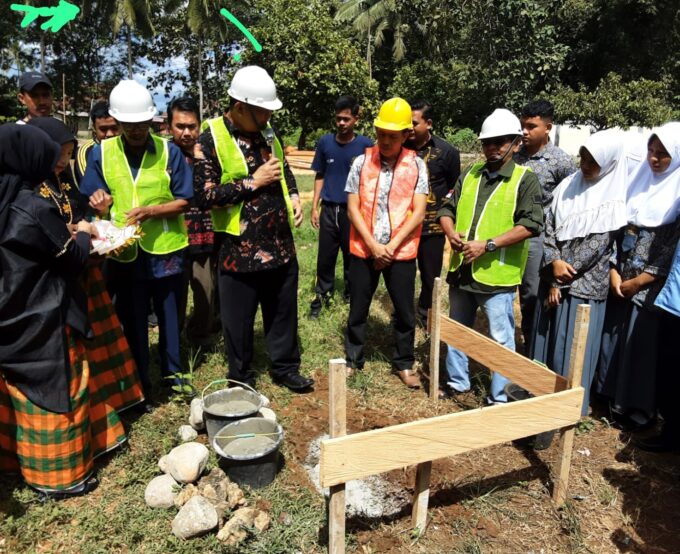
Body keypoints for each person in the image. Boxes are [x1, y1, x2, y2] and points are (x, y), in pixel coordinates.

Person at [0, 124, 130, 498]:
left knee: (20, 389)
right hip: (45, 315)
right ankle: (62, 476)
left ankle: (16, 460)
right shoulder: (32, 206)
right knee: (60, 389)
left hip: (13, 311)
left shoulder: (5, 199)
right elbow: (71, 258)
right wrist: (88, 231)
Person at [193, 65, 313, 392]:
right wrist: (253, 182)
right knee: (239, 321)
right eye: (261, 113)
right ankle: (242, 379)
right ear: (240, 106)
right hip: (238, 250)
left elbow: (283, 168)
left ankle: (285, 368)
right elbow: (204, 196)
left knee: (283, 311)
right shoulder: (211, 137)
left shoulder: (269, 132)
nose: (267, 119)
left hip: (279, 243)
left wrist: (292, 196)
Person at [80, 79, 193, 403]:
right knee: (134, 318)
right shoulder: (103, 152)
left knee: (170, 316)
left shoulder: (168, 151)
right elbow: (93, 193)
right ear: (117, 123)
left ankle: (174, 375)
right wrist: (99, 200)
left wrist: (152, 210)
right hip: (124, 250)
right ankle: (140, 382)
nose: (136, 131)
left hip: (164, 248)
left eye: (142, 124)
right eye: (129, 125)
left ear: (151, 121)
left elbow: (185, 199)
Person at [25, 116, 145, 413]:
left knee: (99, 342)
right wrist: (78, 231)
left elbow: (79, 213)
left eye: (68, 154)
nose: (64, 162)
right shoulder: (27, 189)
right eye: (59, 155)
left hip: (84, 272)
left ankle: (110, 402)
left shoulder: (60, 180)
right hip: (54, 286)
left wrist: (97, 216)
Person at [437, 108, 543, 403]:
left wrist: (488, 245)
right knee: (458, 332)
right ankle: (458, 383)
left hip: (497, 276)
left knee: (501, 340)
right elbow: (446, 209)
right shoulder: (470, 174)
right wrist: (450, 232)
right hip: (462, 271)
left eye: (500, 142)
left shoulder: (525, 179)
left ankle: (500, 397)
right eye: (487, 143)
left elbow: (531, 225)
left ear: (516, 143)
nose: (492, 149)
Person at [531, 130, 632, 417]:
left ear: (609, 164)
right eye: (583, 159)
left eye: (593, 161)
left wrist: (561, 278)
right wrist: (553, 268)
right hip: (554, 277)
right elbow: (548, 226)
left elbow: (598, 246)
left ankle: (569, 406)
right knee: (547, 340)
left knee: (574, 347)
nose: (585, 166)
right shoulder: (567, 186)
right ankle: (541, 395)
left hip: (583, 287)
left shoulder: (613, 198)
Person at [597, 122, 680, 431]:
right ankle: (608, 395)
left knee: (640, 346)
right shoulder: (637, 181)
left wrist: (640, 281)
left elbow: (670, 251)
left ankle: (634, 408)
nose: (654, 160)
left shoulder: (677, 194)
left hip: (650, 290)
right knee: (613, 339)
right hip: (620, 280)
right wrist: (615, 270)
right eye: (651, 151)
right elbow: (619, 231)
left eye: (663, 154)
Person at [344, 97, 428, 388]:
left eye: (393, 136)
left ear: (407, 134)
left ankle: (404, 363)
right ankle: (353, 359)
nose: (386, 141)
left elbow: (418, 213)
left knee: (405, 312)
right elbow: (352, 207)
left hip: (401, 253)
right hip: (362, 249)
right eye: (381, 134)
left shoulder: (417, 166)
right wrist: (373, 245)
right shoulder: (361, 162)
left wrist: (390, 247)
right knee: (358, 308)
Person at [514, 100, 577, 352]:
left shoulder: (561, 162)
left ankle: (533, 348)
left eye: (531, 126)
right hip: (510, 232)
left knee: (531, 294)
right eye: (523, 126)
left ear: (548, 127)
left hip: (538, 238)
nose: (525, 132)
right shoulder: (515, 155)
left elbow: (569, 205)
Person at [309, 95, 373, 318]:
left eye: (346, 119)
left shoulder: (366, 146)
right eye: (338, 119)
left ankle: (350, 294)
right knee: (325, 257)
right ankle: (322, 296)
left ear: (356, 118)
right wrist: (314, 206)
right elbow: (320, 174)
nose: (342, 123)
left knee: (352, 256)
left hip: (353, 212)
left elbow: (372, 179)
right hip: (328, 209)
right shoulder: (325, 143)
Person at [169, 96, 220, 346]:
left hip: (205, 235)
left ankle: (199, 336)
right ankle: (174, 339)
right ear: (170, 127)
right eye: (180, 126)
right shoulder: (163, 155)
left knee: (206, 292)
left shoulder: (210, 153)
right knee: (175, 294)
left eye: (192, 126)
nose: (187, 132)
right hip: (174, 238)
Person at [405, 100, 461, 328]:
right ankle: (405, 317)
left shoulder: (447, 152)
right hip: (405, 226)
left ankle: (425, 318)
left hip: (432, 228)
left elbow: (453, 189)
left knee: (431, 277)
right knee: (404, 276)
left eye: (414, 123)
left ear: (428, 124)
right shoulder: (400, 148)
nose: (408, 128)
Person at [74, 101, 121, 184]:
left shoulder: (131, 148)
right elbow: (91, 185)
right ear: (94, 129)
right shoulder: (86, 151)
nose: (109, 134)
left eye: (114, 128)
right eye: (103, 129)